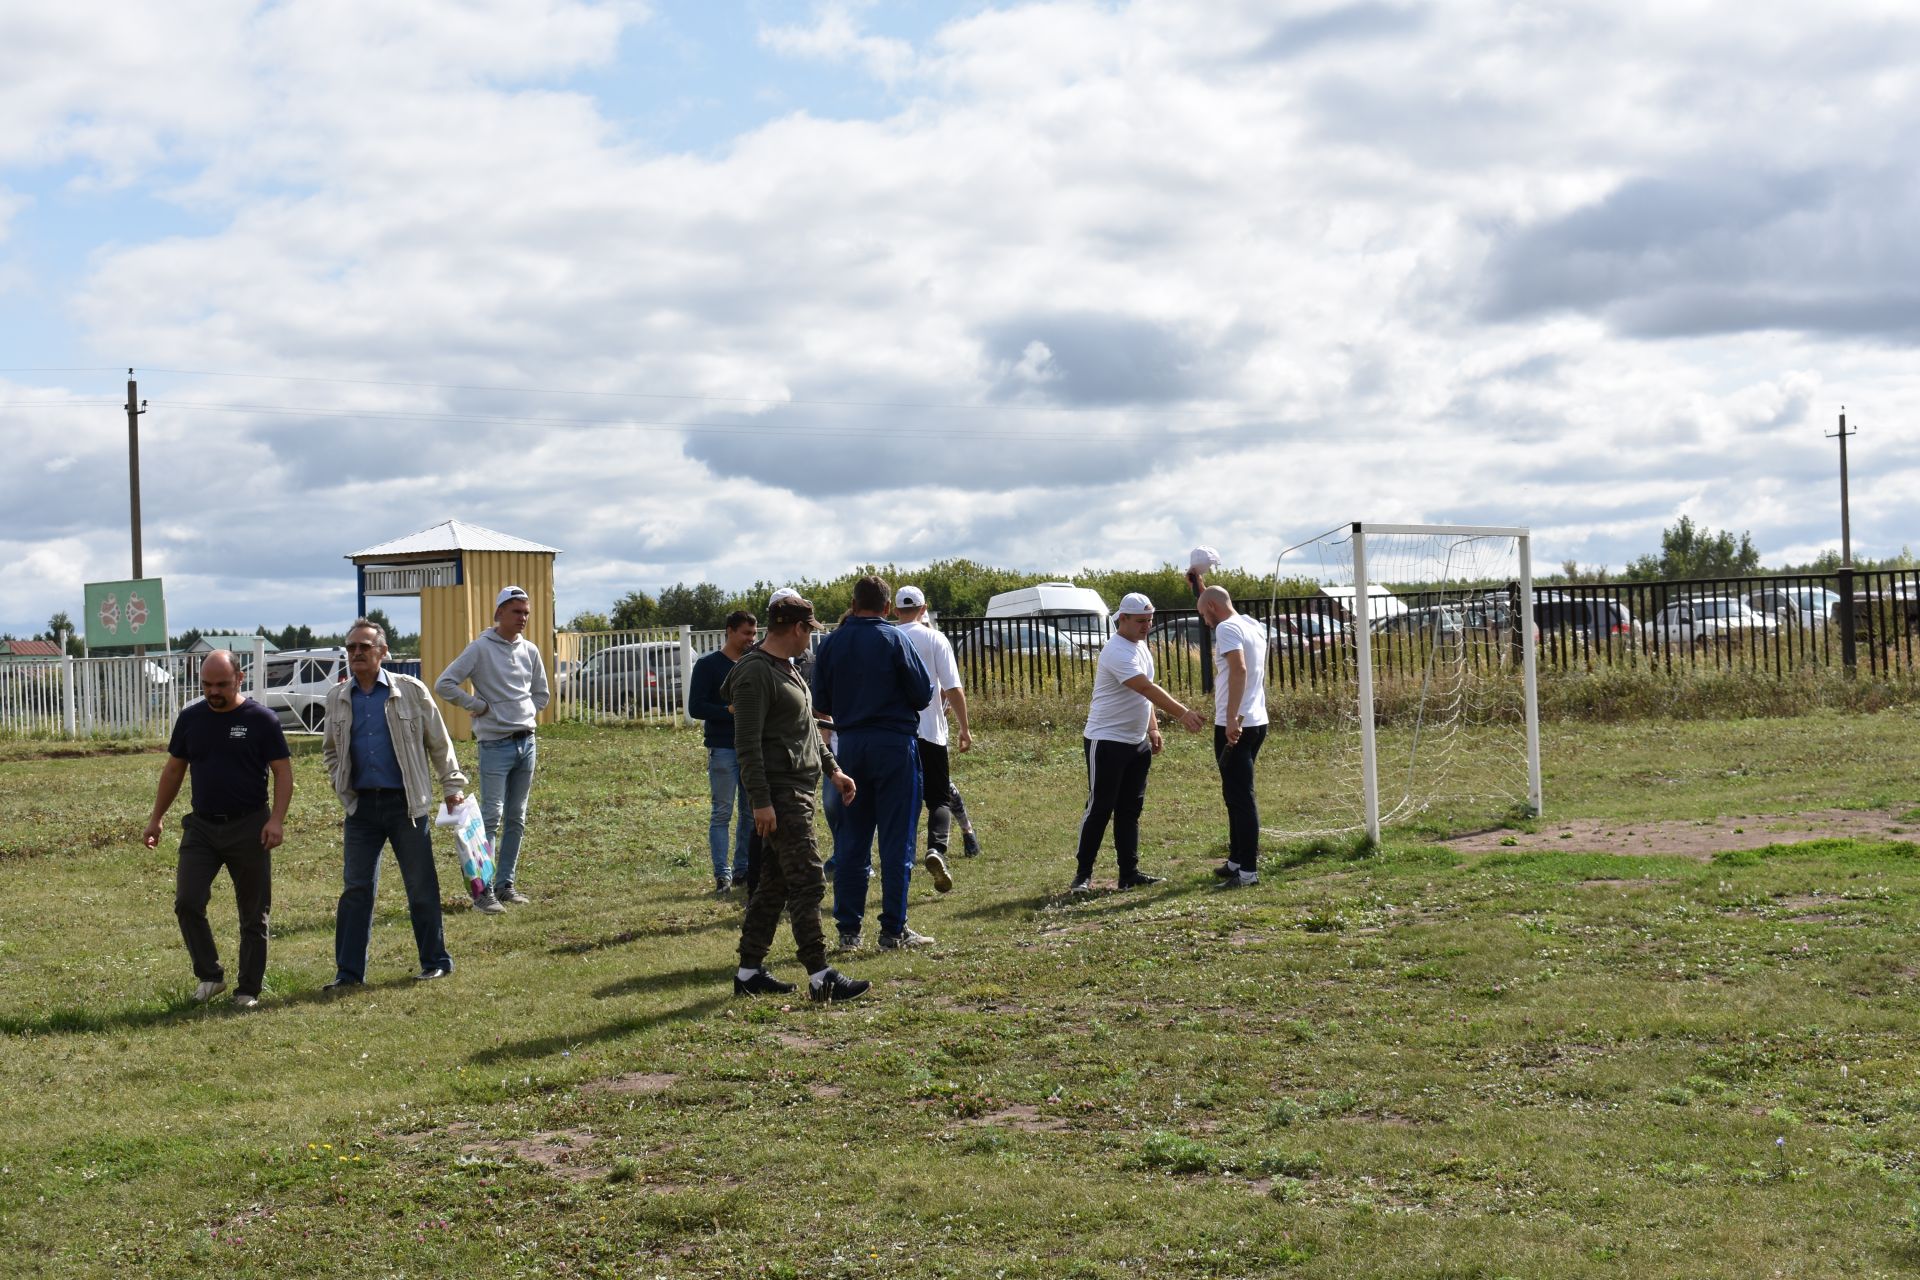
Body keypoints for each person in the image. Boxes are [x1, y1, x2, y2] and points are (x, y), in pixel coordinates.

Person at [726, 593, 869, 1002]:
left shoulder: (788, 669)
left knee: (773, 885)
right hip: (780, 792)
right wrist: (761, 801)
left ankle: (749, 973)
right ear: (797, 628)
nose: (811, 639)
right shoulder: (755, 672)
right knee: (808, 879)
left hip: (799, 788)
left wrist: (834, 769)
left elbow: (805, 728)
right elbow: (747, 745)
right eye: (810, 631)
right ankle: (820, 974)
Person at [321, 618, 471, 990]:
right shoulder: (337, 697)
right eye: (351, 648)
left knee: (420, 885)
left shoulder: (411, 690)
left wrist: (452, 786)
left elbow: (439, 743)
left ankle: (435, 961)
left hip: (408, 806)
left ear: (382, 652)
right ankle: (348, 974)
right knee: (356, 889)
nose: (356, 653)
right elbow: (330, 751)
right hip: (361, 810)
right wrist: (342, 786)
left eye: (364, 647)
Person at [142, 650, 293, 1009]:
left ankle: (248, 990)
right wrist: (156, 817)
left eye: (222, 684)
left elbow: (283, 773)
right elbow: (174, 770)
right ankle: (210, 976)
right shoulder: (191, 719)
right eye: (207, 684)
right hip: (202, 829)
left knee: (253, 914)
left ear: (239, 679)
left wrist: (276, 820)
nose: (213, 691)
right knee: (187, 902)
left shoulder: (262, 720)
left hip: (250, 826)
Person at [810, 574, 936, 950]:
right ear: (886, 607)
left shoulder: (831, 643)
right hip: (894, 745)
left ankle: (849, 930)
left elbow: (822, 701)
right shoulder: (895, 637)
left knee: (852, 839)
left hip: (849, 746)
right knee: (896, 840)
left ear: (853, 603)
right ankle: (893, 929)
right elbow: (921, 693)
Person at [1073, 593, 1204, 893]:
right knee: (1100, 807)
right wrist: (1182, 714)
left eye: (1150, 620)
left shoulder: (1141, 646)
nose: (1147, 626)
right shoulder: (1116, 651)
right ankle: (1083, 875)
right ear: (1123, 619)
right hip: (1106, 740)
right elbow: (1145, 686)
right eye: (1141, 621)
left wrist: (1153, 728)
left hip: (1136, 741)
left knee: (1130, 810)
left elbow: (1144, 695)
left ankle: (1128, 873)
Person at [436, 585, 550, 908]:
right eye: (516, 611)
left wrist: (523, 711)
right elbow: (444, 683)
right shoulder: (480, 649)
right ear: (499, 613)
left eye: (526, 612)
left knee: (517, 816)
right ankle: (482, 891)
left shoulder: (530, 651)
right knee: (491, 816)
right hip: (494, 746)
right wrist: (478, 705)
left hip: (526, 743)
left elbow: (542, 694)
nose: (523, 618)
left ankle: (506, 885)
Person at [891, 585, 971, 894]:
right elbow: (952, 687)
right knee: (937, 797)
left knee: (901, 797)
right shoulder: (935, 638)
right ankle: (936, 848)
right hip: (930, 732)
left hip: (896, 732)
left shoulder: (891, 638)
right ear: (924, 609)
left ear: (897, 611)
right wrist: (965, 728)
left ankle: (901, 856)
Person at [1198, 584, 1270, 887]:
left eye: (1203, 614)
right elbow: (1215, 598)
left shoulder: (1227, 628)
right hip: (1257, 721)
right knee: (1233, 792)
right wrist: (1199, 586)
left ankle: (1248, 873)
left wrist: (1230, 718)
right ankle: (1236, 860)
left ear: (1212, 608)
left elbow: (1238, 669)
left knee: (1241, 797)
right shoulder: (1252, 625)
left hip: (1235, 725)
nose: (1204, 621)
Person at [688, 610, 759, 897]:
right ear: (729, 631)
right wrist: (727, 711)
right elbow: (696, 707)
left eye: (754, 634)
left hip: (752, 748)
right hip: (723, 749)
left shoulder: (755, 663)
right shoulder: (708, 666)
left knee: (750, 813)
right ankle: (722, 875)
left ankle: (743, 868)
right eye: (746, 633)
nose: (750, 639)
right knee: (722, 812)